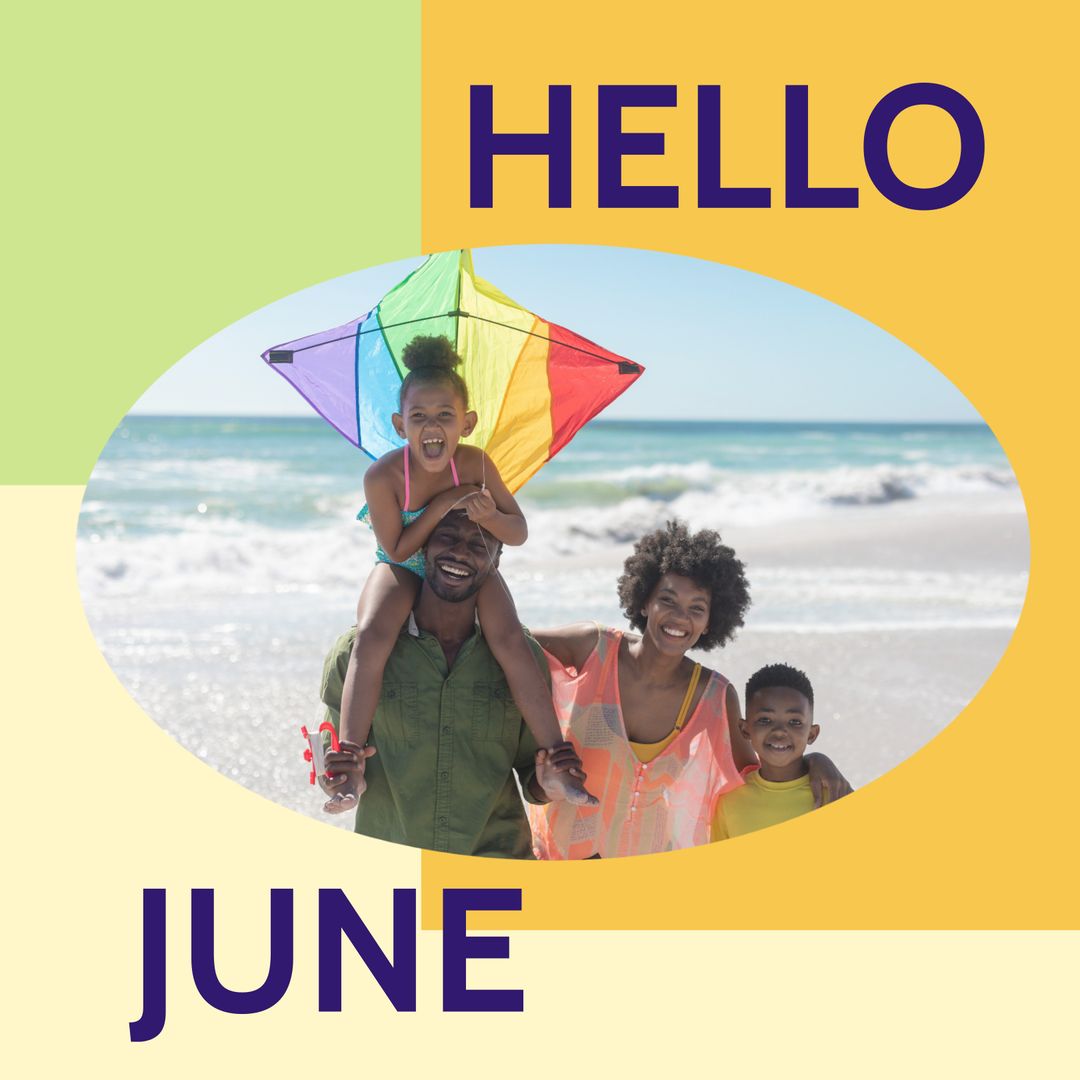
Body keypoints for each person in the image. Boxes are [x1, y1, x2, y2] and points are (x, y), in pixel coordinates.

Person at [327, 334, 594, 813]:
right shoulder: (383, 477)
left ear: (466, 423)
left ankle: (558, 757)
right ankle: (349, 759)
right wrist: (446, 503)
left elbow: (518, 532)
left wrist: (487, 515)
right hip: (403, 563)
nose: (432, 427)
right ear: (399, 424)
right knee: (371, 635)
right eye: (419, 417)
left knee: (511, 639)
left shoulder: (476, 464)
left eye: (445, 415)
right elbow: (398, 546)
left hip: (466, 562)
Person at [530, 521, 851, 859]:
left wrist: (817, 760)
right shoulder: (592, 648)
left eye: (696, 608)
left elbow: (755, 773)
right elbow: (509, 643)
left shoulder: (712, 695)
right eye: (667, 600)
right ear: (644, 601)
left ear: (710, 621)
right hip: (557, 856)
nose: (680, 617)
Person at [318, 509, 588, 858]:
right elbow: (335, 767)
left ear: (496, 559)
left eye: (479, 543)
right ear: (423, 546)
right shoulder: (357, 655)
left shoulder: (521, 659)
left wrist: (550, 784)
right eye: (447, 536)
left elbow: (533, 777)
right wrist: (340, 780)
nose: (461, 552)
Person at [712, 663, 837, 840]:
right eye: (765, 720)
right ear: (745, 729)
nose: (779, 731)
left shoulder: (832, 796)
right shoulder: (728, 802)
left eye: (794, 722)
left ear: (812, 733)